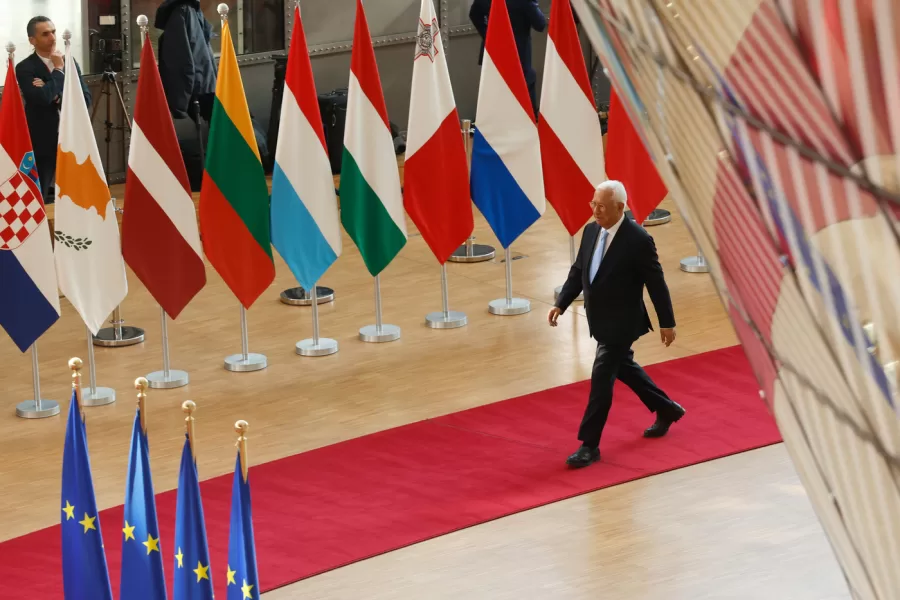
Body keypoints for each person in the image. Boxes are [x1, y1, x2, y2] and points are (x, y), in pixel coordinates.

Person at [549, 180, 685, 468]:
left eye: (601, 206)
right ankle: (667, 408)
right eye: (593, 204)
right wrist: (561, 302)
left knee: (602, 378)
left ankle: (589, 445)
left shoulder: (638, 239)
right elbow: (578, 271)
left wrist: (667, 322)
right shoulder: (590, 231)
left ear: (620, 208)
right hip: (599, 319)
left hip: (623, 322)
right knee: (625, 368)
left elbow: (656, 282)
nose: (595, 210)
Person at [15, 16, 92, 204]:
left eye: (53, 32)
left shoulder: (70, 61)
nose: (52, 37)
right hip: (43, 136)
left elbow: (85, 99)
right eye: (45, 34)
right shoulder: (25, 67)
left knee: (77, 192)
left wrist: (53, 91)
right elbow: (40, 98)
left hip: (71, 135)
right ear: (32, 41)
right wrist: (58, 71)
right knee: (39, 190)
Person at [469, 0, 547, 118]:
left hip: (493, 52)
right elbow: (540, 24)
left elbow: (474, 15)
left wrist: (488, 34)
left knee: (495, 95)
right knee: (524, 100)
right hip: (519, 55)